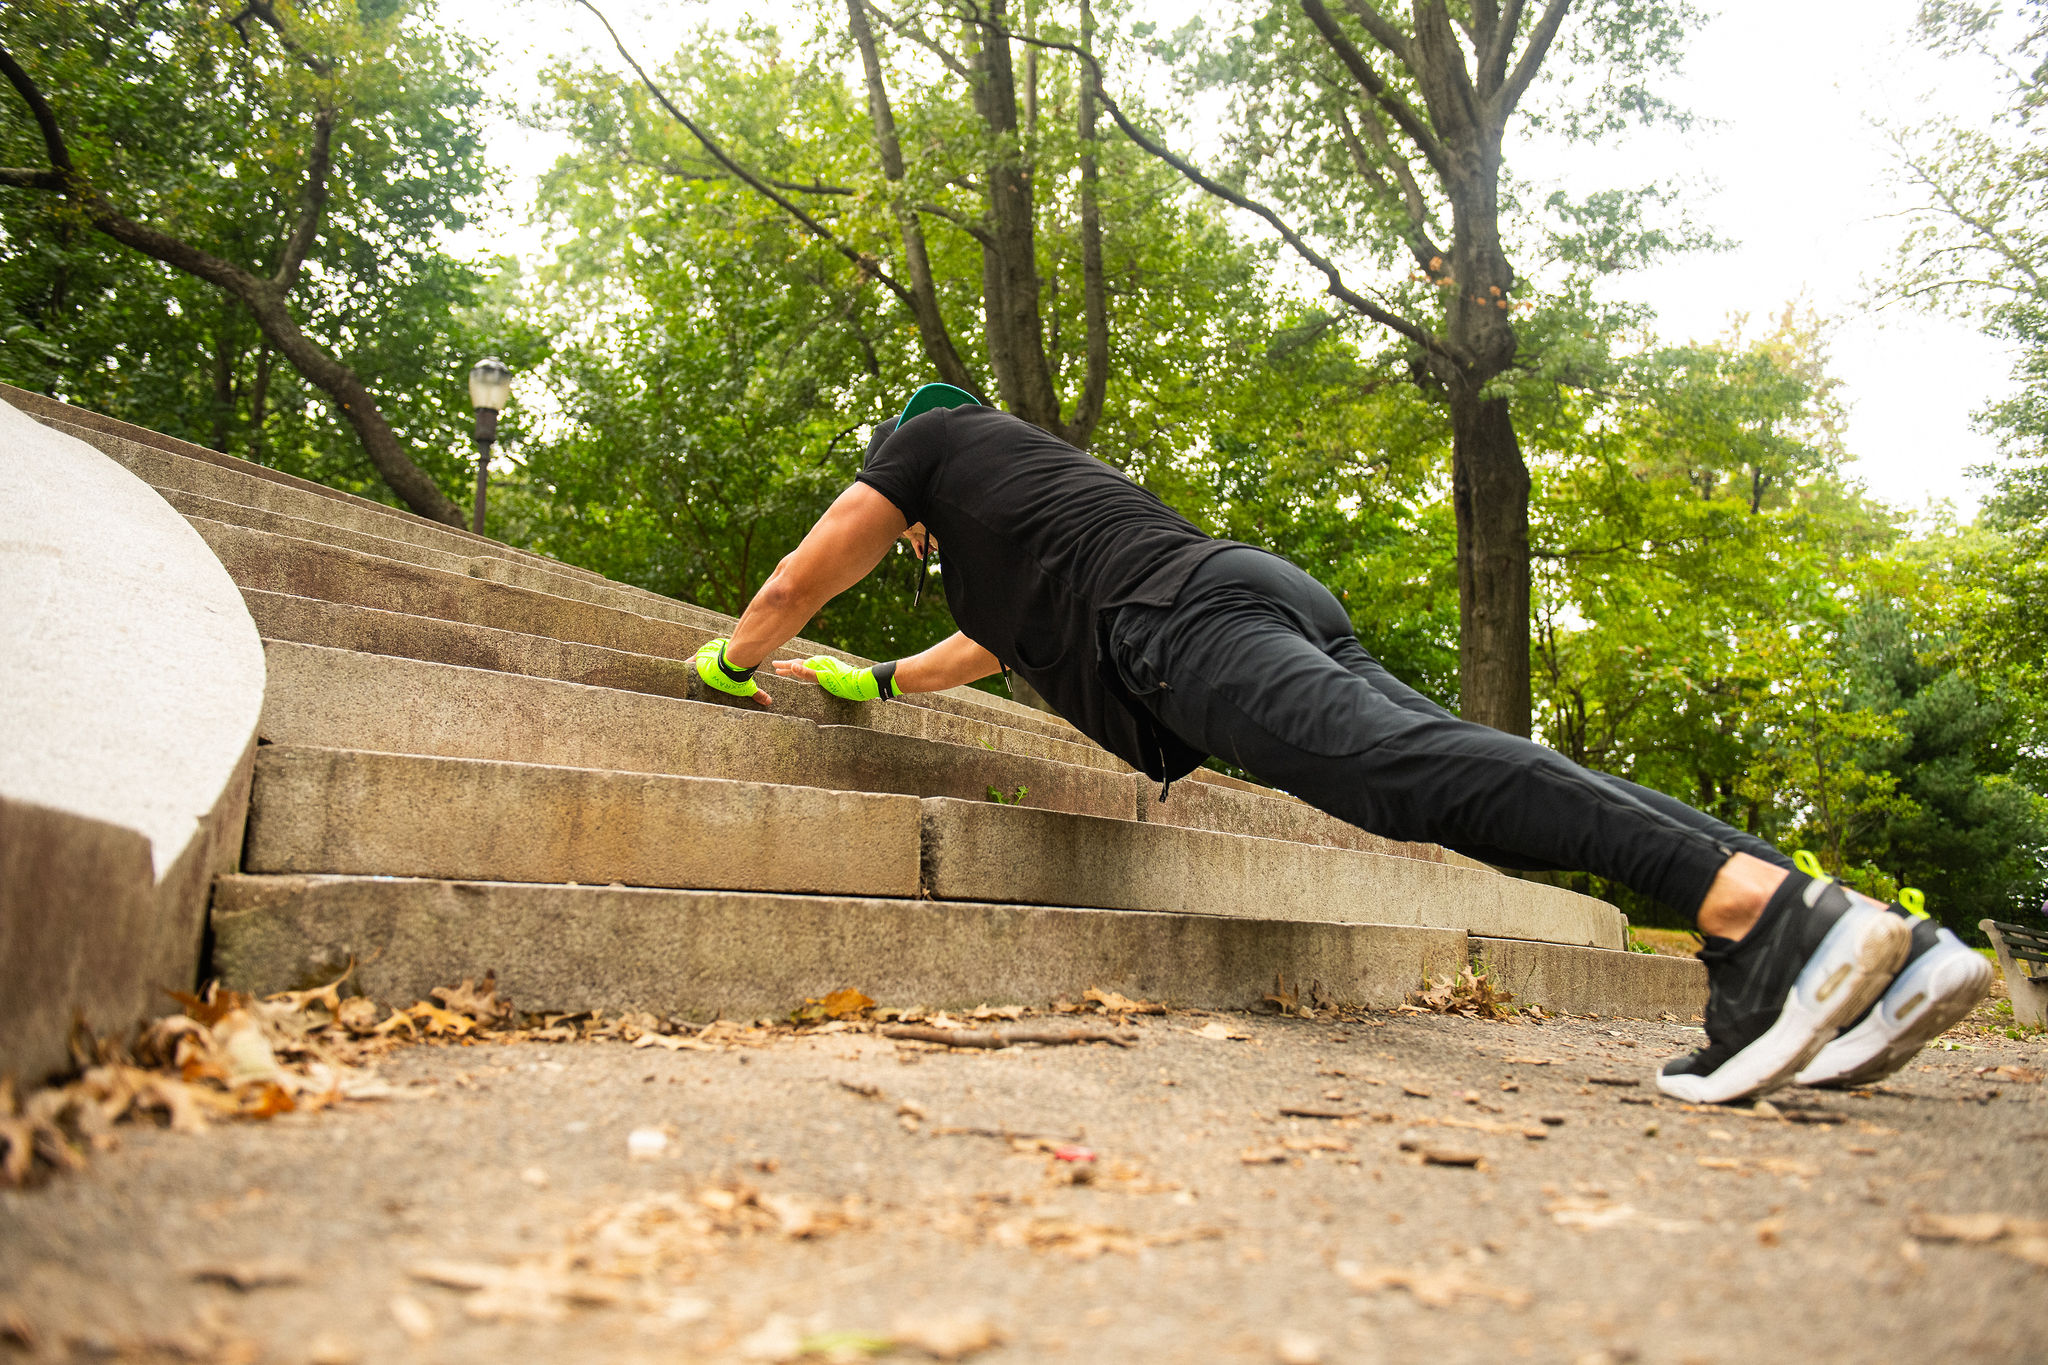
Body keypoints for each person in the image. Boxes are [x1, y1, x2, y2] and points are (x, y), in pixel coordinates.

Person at [695, 383, 1993, 1103]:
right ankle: (1878, 942)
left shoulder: (927, 442)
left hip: (1187, 631)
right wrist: (877, 683)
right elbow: (977, 651)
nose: (912, 544)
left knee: (1406, 776)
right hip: (1255, 593)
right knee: (1443, 757)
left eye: (904, 522)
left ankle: (1770, 918)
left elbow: (798, 579)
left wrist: (728, 660)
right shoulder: (1027, 511)